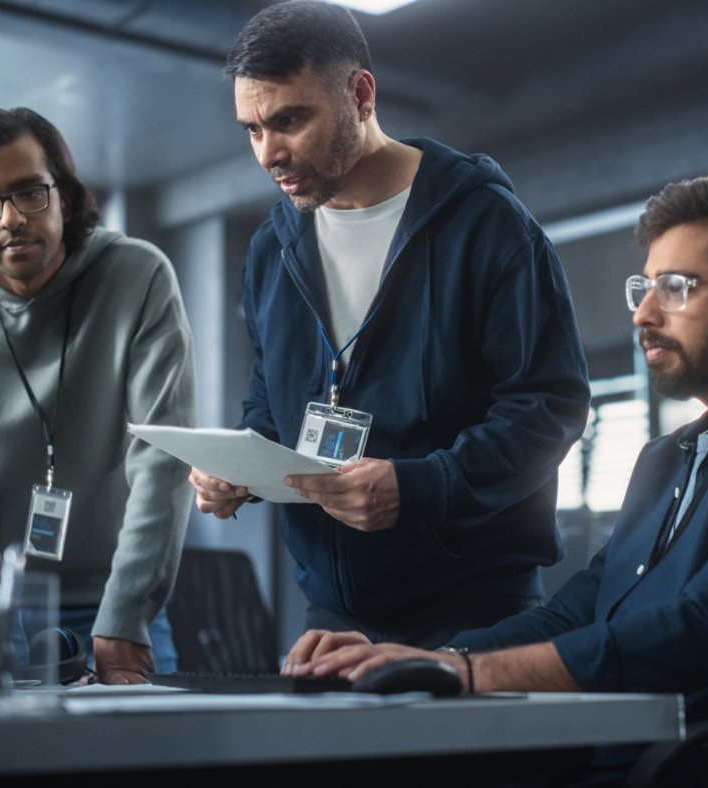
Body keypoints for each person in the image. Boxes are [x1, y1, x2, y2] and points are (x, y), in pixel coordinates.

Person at [287, 172, 708, 784]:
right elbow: (585, 607)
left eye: (677, 288)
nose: (643, 313)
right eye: (645, 286)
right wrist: (442, 658)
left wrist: (470, 677)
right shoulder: (669, 456)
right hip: (632, 751)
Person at [188, 0, 590, 648]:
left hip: (475, 613)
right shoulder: (272, 249)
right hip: (331, 617)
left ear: (361, 94)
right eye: (252, 129)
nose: (269, 152)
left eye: (289, 120)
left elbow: (549, 407)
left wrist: (422, 486)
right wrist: (240, 464)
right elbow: (272, 394)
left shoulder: (486, 224)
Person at [0, 107, 196, 684]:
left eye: (29, 193)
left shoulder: (136, 275)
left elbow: (163, 462)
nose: (9, 220)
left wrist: (124, 617)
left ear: (65, 200)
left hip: (108, 610)